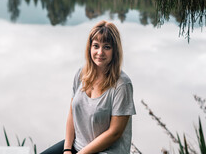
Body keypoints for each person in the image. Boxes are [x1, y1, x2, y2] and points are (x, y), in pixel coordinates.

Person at [41, 20, 136, 154]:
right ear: (89, 48)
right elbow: (72, 113)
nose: (100, 52)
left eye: (107, 47)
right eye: (96, 46)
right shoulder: (81, 74)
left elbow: (115, 133)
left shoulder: (122, 85)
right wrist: (67, 149)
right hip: (77, 146)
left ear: (115, 51)